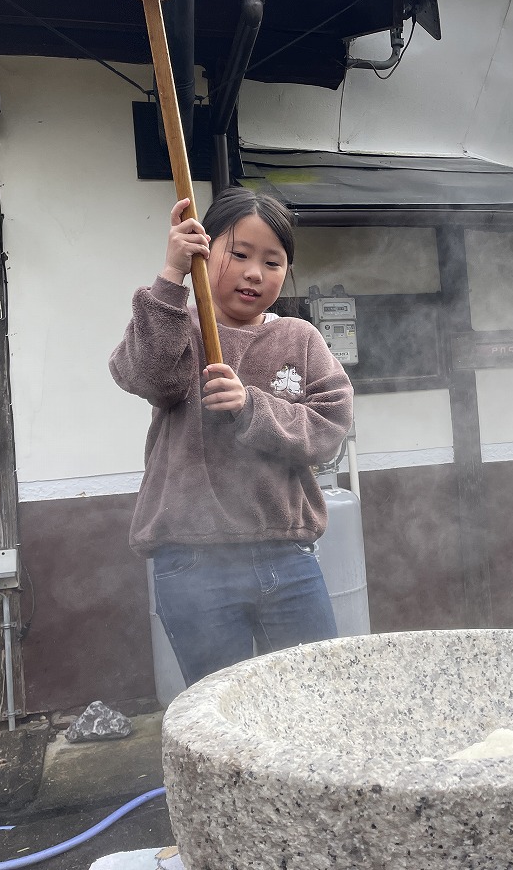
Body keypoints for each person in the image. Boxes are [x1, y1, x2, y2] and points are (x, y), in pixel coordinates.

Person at [110, 187, 353, 686]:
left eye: (272, 262)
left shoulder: (299, 338)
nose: (254, 273)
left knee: (317, 696)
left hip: (288, 555)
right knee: (222, 709)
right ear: (204, 250)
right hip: (193, 561)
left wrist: (253, 408)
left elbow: (330, 428)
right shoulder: (178, 326)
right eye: (239, 254)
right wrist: (171, 275)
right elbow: (146, 377)